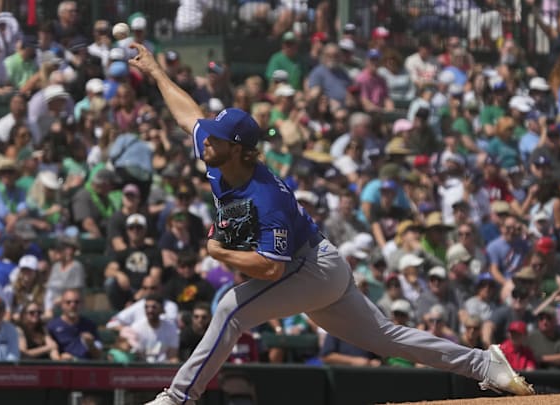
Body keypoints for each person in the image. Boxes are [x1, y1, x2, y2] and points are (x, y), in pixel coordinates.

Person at [127, 42, 534, 405]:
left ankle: (178, 399)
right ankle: (485, 365)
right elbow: (189, 117)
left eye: (215, 138)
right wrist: (157, 72)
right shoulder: (221, 156)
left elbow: (272, 269)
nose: (205, 141)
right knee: (387, 338)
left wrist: (220, 253)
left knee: (232, 310)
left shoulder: (263, 196)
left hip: (310, 269)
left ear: (236, 149)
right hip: (323, 266)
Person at [47, 288, 102, 360]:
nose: (73, 305)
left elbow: (97, 356)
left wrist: (91, 345)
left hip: (86, 367)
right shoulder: (52, 326)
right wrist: (60, 358)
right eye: (68, 302)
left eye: (76, 302)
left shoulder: (89, 325)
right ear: (62, 305)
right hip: (63, 367)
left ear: (81, 304)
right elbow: (51, 352)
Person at [130, 294, 180, 364]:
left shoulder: (171, 328)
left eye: (154, 307)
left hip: (164, 368)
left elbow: (172, 356)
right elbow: (135, 355)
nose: (149, 310)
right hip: (142, 367)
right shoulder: (136, 328)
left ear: (162, 308)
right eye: (146, 307)